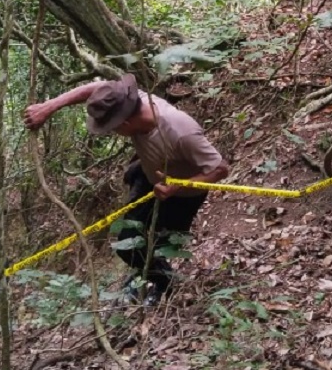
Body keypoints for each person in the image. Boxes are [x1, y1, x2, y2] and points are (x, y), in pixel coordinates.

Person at [23, 74, 229, 304]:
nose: (112, 132)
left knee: (164, 242)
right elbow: (96, 88)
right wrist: (49, 107)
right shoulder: (129, 100)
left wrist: (176, 186)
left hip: (183, 194)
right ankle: (154, 276)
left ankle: (165, 284)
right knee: (128, 244)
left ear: (126, 123)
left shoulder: (181, 131)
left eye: (112, 128)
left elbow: (219, 168)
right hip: (149, 175)